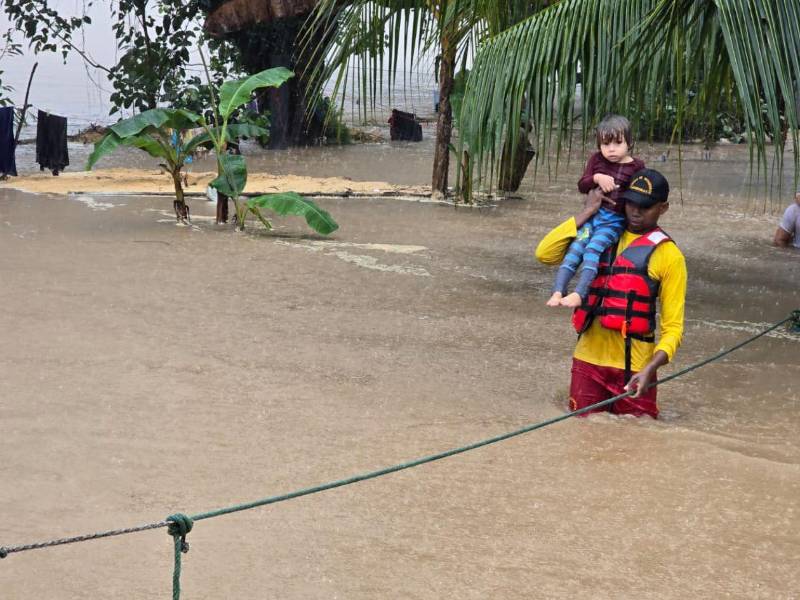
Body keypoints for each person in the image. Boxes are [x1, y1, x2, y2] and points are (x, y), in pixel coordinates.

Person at [536, 168, 687, 418]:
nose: (635, 211)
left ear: (663, 208)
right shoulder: (601, 234)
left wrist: (651, 368)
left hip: (636, 369)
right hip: (587, 362)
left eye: (646, 206)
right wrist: (588, 211)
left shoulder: (670, 256)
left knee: (637, 442)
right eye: (631, 203)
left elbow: (674, 328)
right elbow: (545, 254)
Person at [547, 115, 646, 309]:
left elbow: (639, 196)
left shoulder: (637, 167)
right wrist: (597, 177)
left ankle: (579, 293)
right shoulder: (596, 160)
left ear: (630, 142)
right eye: (605, 144)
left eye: (618, 143)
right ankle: (558, 291)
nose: (611, 149)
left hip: (614, 221)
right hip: (593, 217)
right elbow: (582, 185)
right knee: (575, 250)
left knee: (592, 251)